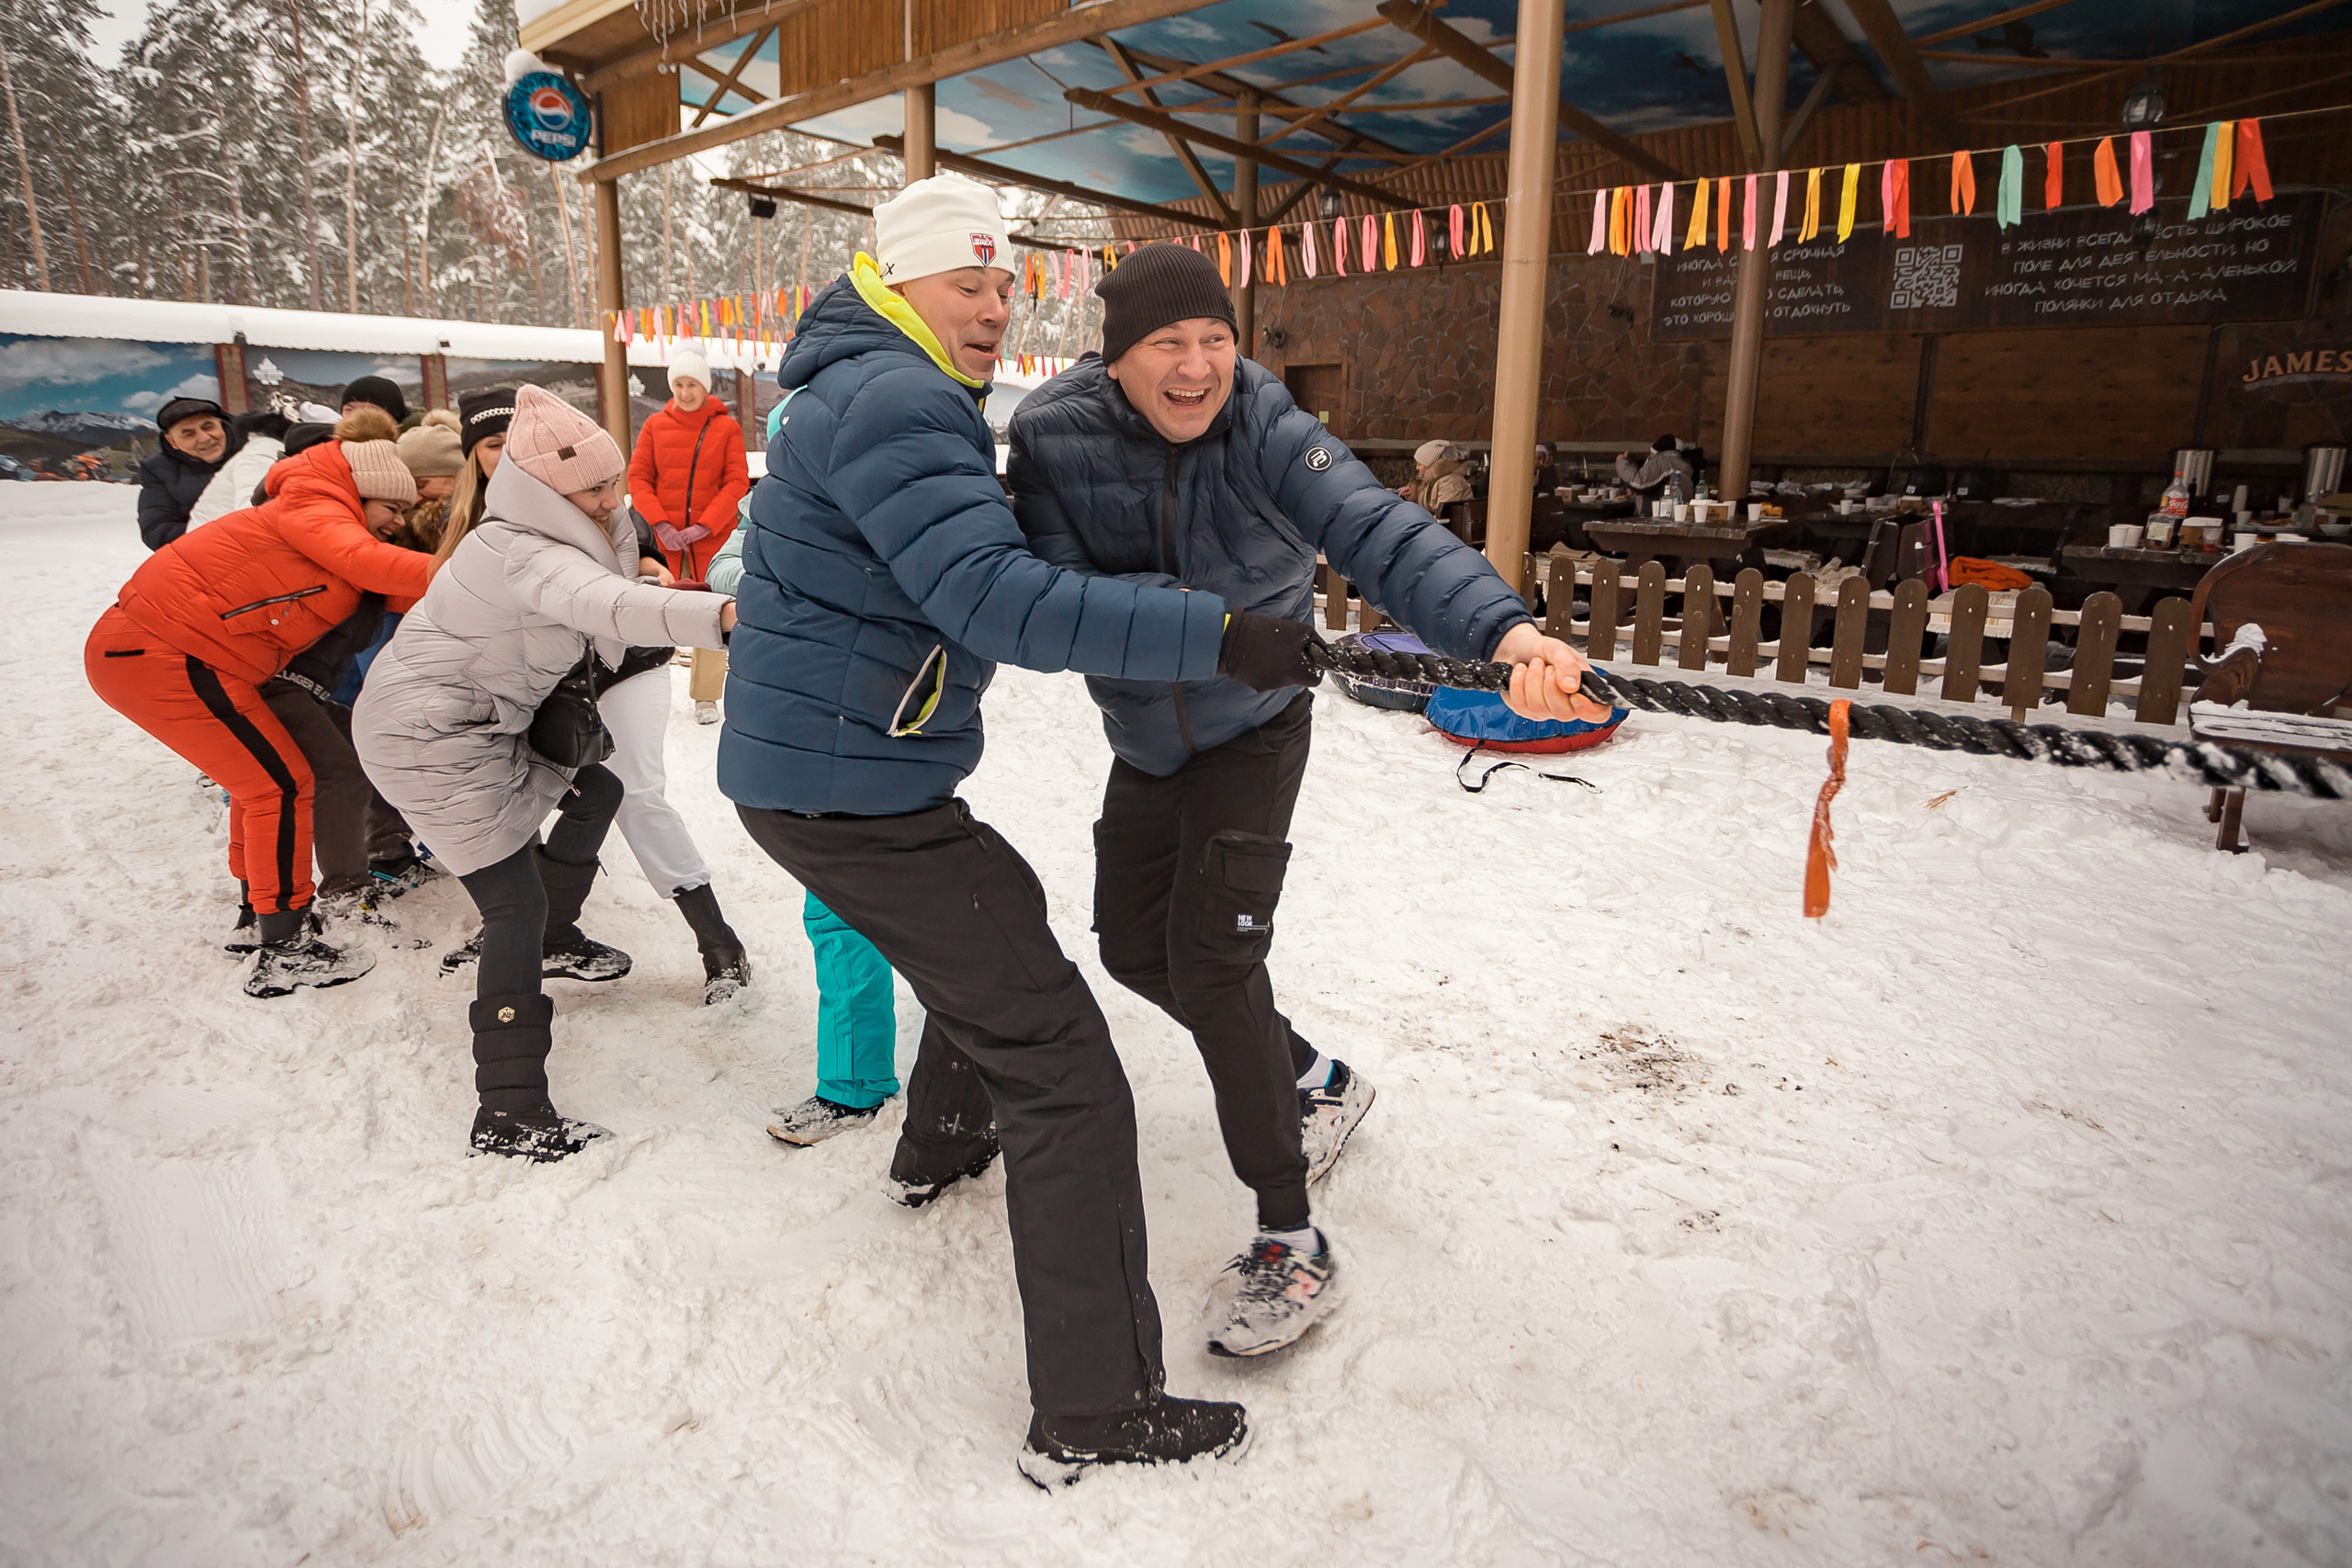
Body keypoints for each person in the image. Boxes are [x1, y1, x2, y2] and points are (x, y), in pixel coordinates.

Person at [720, 173, 1262, 1483]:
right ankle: (1094, 1402)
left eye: (1008, 282)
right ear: (899, 280)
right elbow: (999, 601)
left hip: (837, 771)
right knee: (1066, 1066)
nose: (996, 304)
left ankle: (940, 1140)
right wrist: (1226, 625)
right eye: (970, 282)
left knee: (1000, 927)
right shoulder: (902, 396)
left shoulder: (855, 384)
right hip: (847, 785)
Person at [1007, 242, 1610, 1361]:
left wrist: (1507, 632)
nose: (1196, 369)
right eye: (1167, 346)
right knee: (1132, 947)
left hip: (1254, 730)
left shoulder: (1268, 426)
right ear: (1113, 354)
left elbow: (1385, 535)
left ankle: (1290, 1232)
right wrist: (1212, 626)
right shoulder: (1050, 435)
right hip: (1147, 733)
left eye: (1216, 342)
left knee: (1212, 962)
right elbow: (1050, 601)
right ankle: (1312, 1077)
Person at [354, 387, 735, 1162]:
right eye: (595, 488)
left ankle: (556, 935)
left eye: (614, 481)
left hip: (486, 718)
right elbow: (610, 605)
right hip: (430, 733)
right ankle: (510, 1107)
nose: (612, 498)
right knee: (511, 904)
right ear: (543, 492)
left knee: (600, 785)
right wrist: (725, 618)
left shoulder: (585, 523)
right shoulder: (523, 547)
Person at [85, 408, 435, 997]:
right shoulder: (317, 507)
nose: (399, 523)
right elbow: (373, 564)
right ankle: (284, 945)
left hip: (188, 657)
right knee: (279, 786)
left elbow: (393, 589)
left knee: (267, 784)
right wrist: (487, 572)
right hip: (171, 652)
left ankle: (260, 917)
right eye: (393, 509)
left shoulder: (329, 527)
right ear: (365, 492)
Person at [710, 435, 900, 1142]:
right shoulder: (774, 504)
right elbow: (724, 566)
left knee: (845, 913)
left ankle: (856, 1085)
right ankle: (870, 1075)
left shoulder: (889, 503)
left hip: (856, 735)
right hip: (804, 733)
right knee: (858, 912)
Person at [628, 347, 749, 726]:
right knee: (657, 611)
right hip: (668, 544)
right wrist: (661, 524)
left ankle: (706, 695)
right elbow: (639, 478)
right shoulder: (654, 426)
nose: (684, 392)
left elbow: (736, 482)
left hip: (711, 540)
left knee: (710, 613)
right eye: (678, 384)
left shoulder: (725, 428)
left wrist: (705, 526)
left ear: (705, 386)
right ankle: (644, 689)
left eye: (691, 384)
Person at [136, 396, 249, 550]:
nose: (204, 438)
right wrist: (228, 535)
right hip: (215, 556)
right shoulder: (159, 469)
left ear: (221, 424)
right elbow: (156, 532)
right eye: (189, 434)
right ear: (172, 442)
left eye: (208, 427)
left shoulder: (255, 449)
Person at [187, 412, 291, 532]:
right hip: (217, 544)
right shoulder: (263, 450)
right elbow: (254, 512)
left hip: (224, 540)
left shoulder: (264, 449)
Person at [1617, 433, 1696, 504]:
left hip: (1659, 513)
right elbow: (1658, 485)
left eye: (1651, 455)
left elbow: (1639, 482)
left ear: (1657, 453)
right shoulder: (1684, 465)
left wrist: (1621, 462)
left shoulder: (1661, 461)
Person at [1398, 438, 1474, 511]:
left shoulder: (1450, 482)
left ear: (1430, 464)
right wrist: (1413, 491)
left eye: (1419, 464)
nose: (1417, 468)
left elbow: (1444, 515)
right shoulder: (1434, 480)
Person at [340, 375, 411, 426]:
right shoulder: (332, 446)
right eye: (349, 410)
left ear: (395, 418)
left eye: (371, 410)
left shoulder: (414, 446)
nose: (357, 417)